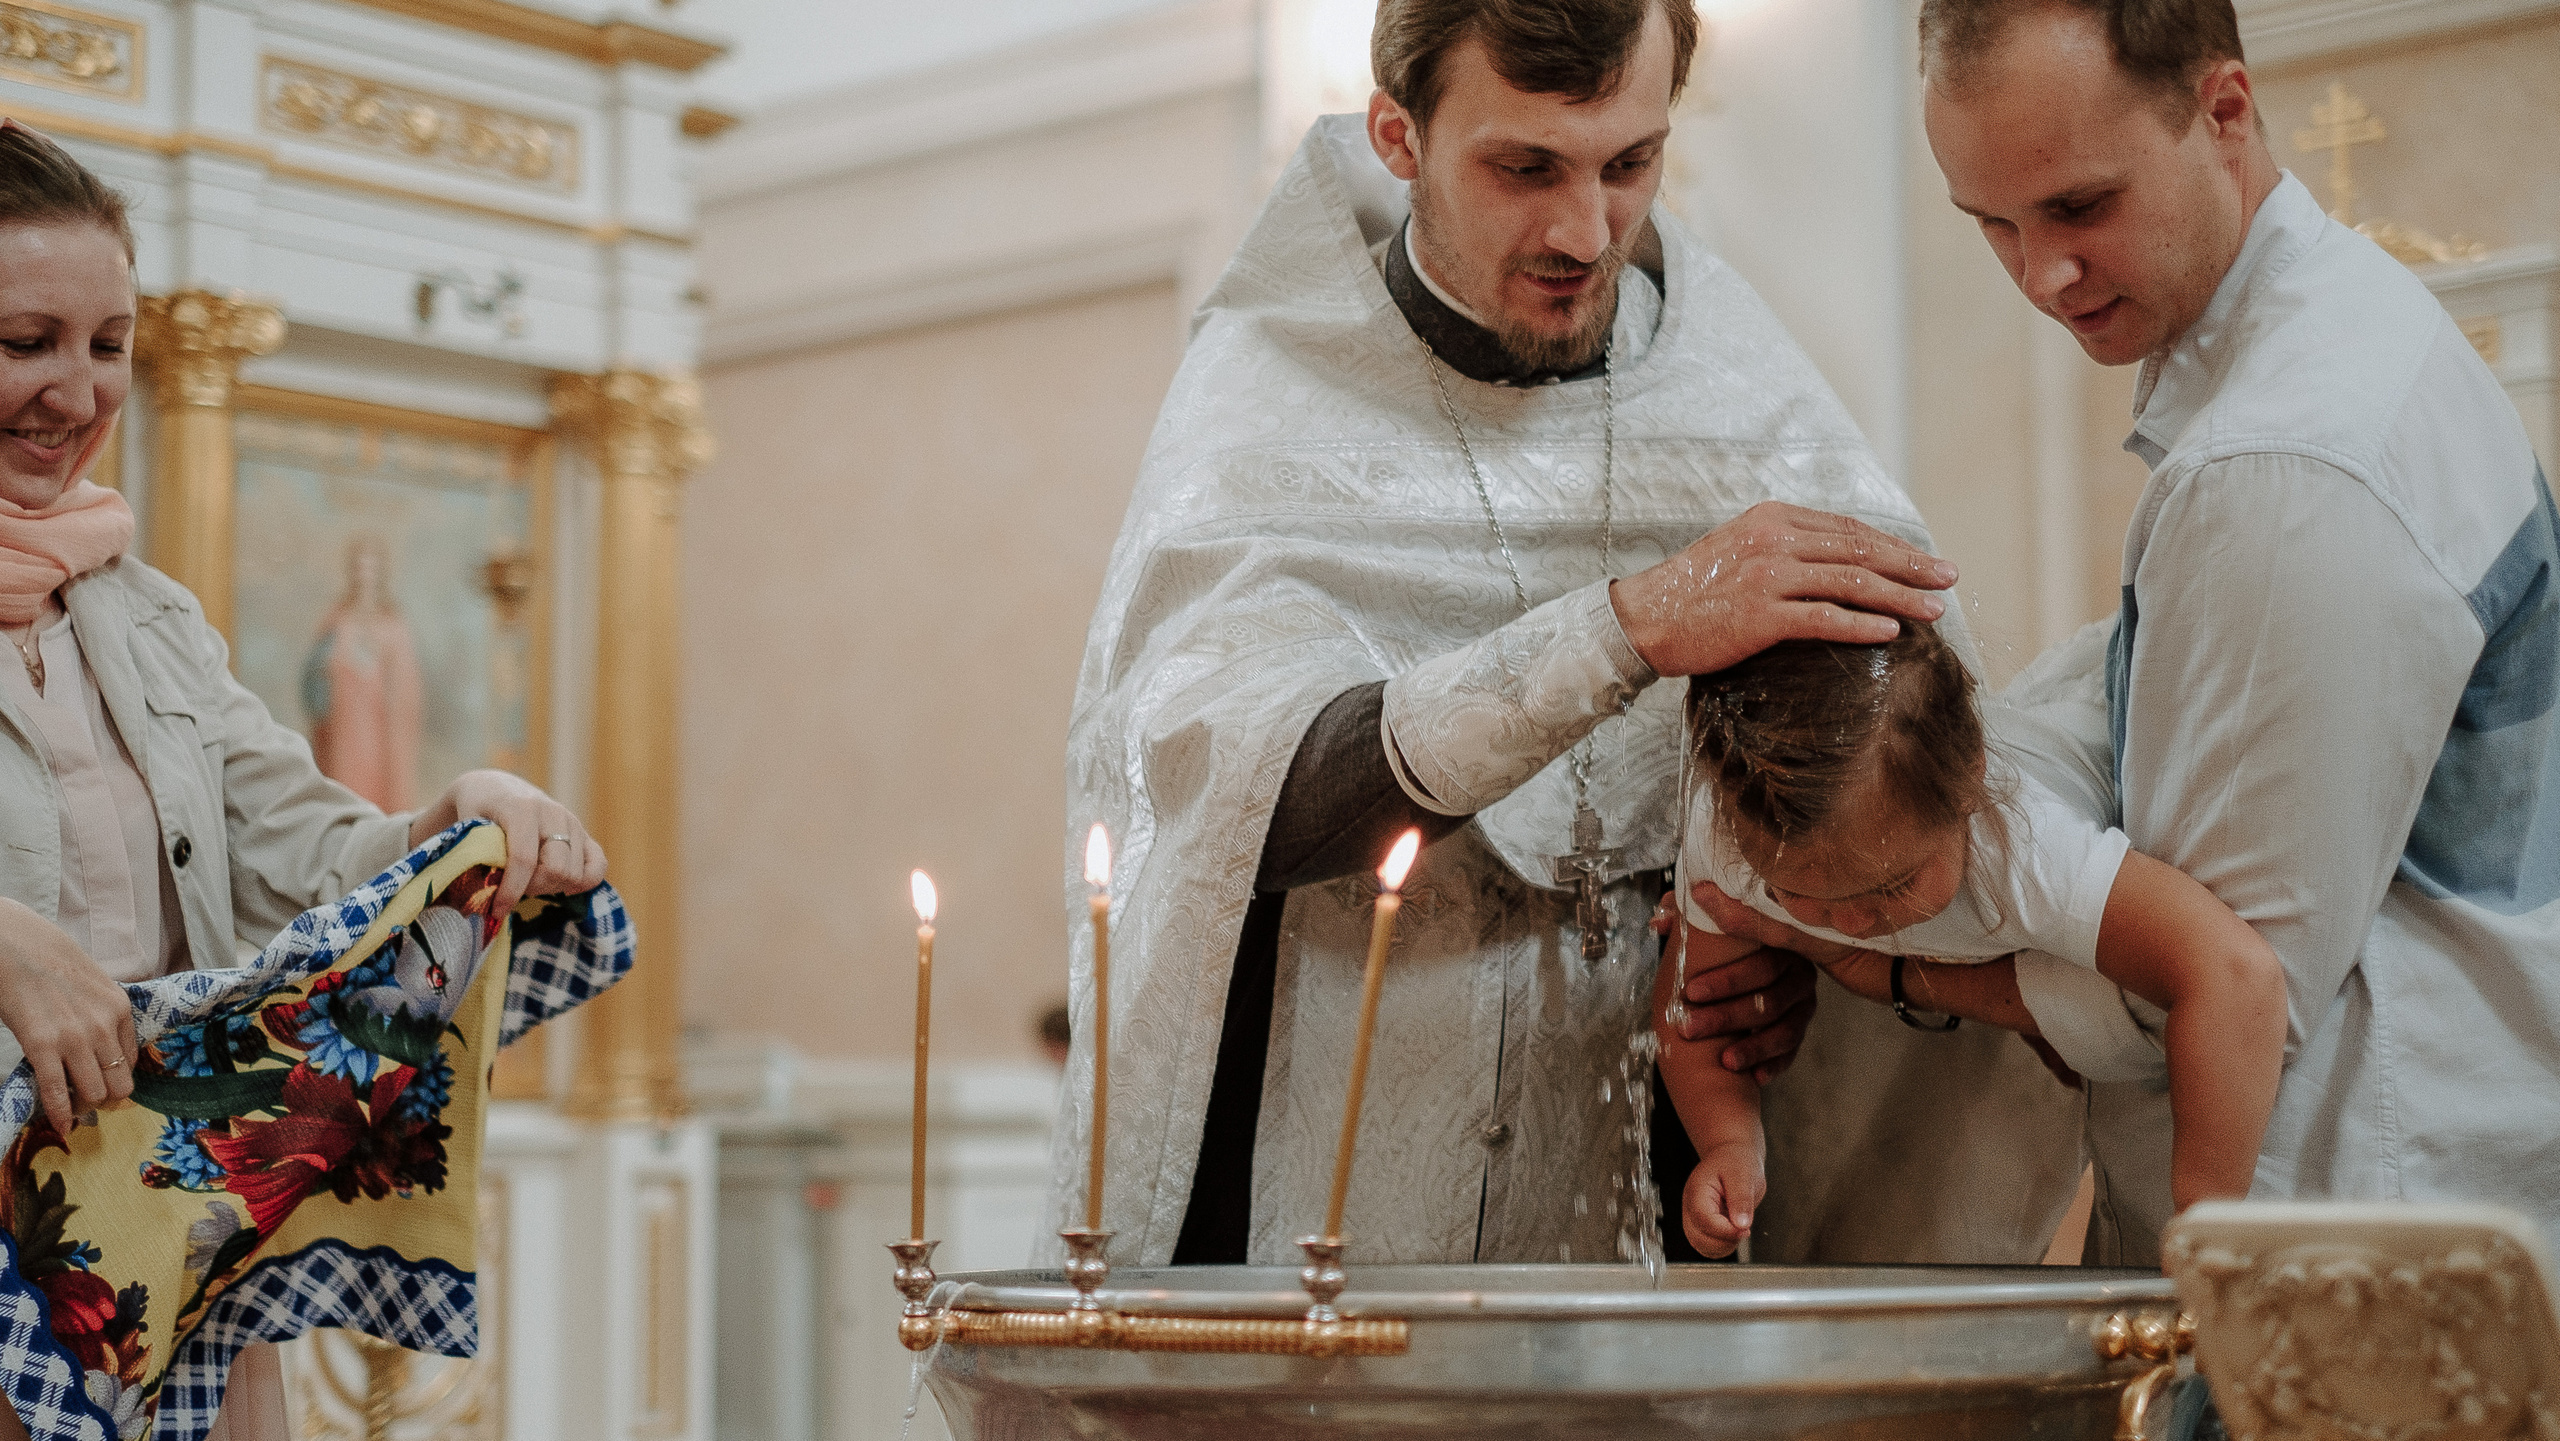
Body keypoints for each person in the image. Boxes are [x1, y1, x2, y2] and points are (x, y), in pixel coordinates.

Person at [1056, 0, 2092, 1269]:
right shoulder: (1269, 388)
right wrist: (1627, 629)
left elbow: (1909, 793)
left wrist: (1801, 948)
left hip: (1643, 1219)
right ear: (1398, 136)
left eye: (1629, 163)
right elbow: (1218, 805)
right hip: (1313, 1223)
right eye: (1524, 168)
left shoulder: (1746, 400)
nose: (1585, 232)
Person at [1690, 0, 2560, 1267]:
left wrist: (1878, 965)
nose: (2041, 275)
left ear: (2223, 112)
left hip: (2334, 1238)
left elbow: (2203, 988)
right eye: (1993, 223)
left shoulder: (2279, 468)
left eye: (2080, 206)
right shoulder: (2343, 335)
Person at [0, 118, 606, 1440]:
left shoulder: (147, 613)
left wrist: (456, 818)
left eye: (109, 344)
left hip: (161, 1235)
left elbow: (309, 849)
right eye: (25, 340)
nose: (77, 392)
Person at [1654, 621, 2285, 1258]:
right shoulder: (1731, 837)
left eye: (1893, 886)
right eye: (1794, 895)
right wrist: (1728, 1141)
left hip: (2124, 710)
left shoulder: (2026, 850)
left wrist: (2207, 1219)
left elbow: (2236, 974)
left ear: (1969, 786)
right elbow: (1695, 1007)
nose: (1851, 925)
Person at [304, 533, 423, 811]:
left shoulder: (393, 622)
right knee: (345, 789)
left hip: (379, 728)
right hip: (343, 727)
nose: (365, 574)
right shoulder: (337, 618)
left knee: (378, 792)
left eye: (371, 567)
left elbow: (407, 685)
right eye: (360, 566)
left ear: (381, 572)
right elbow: (315, 674)